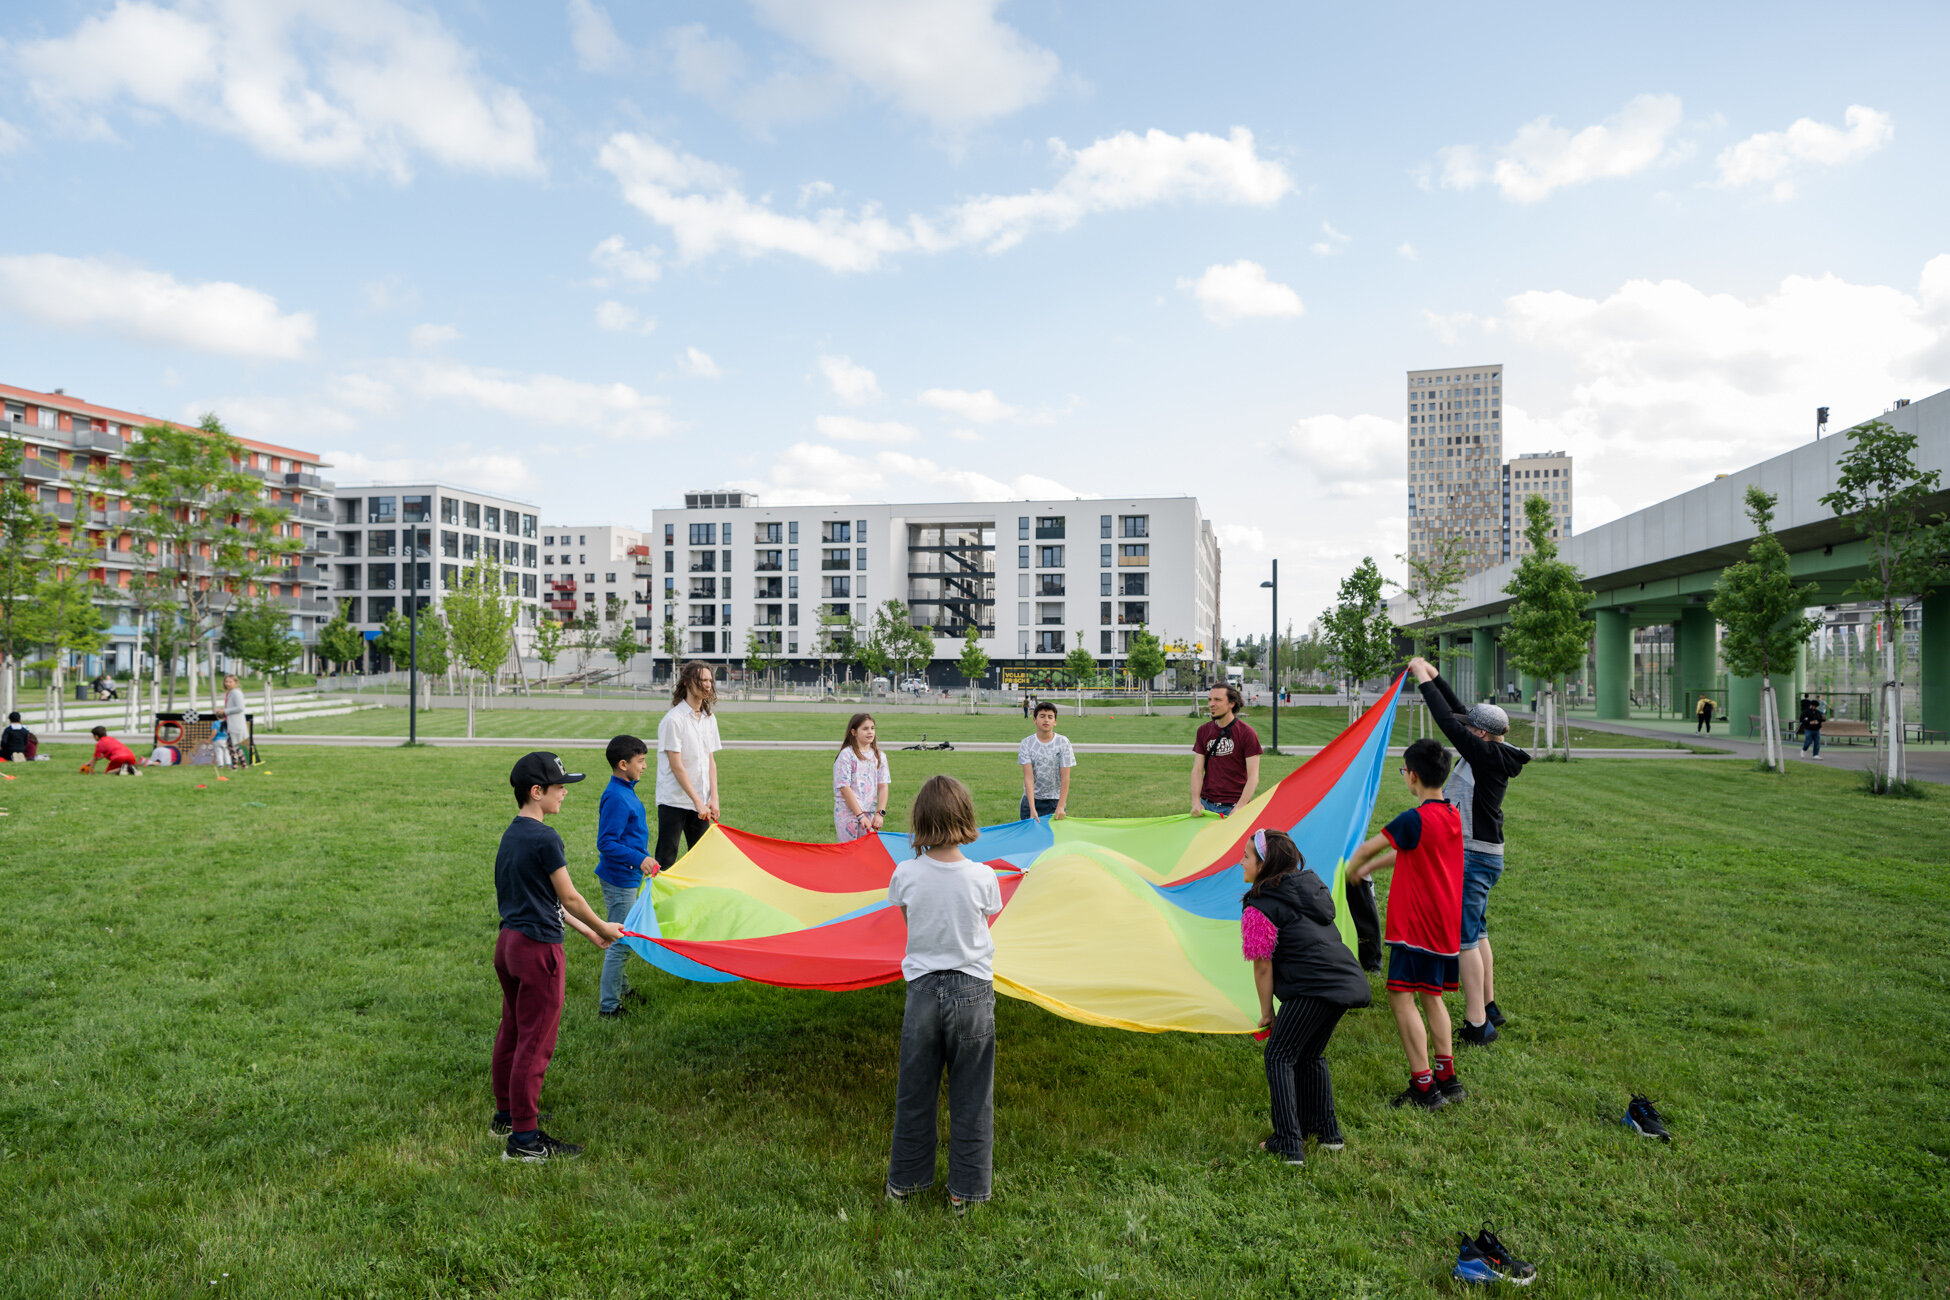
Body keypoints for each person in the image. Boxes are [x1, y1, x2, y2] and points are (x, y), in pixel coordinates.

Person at [492, 751, 621, 1161]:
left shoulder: (512, 834)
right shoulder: (546, 838)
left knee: (512, 1031)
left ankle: (507, 1117)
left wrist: (586, 933)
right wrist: (604, 926)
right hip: (538, 952)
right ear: (536, 792)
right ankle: (524, 1142)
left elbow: (545, 899)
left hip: (509, 945)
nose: (565, 793)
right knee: (535, 1041)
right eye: (559, 786)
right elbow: (568, 895)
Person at [885, 775, 1004, 1213]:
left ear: (920, 820)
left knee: (915, 1090)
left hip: (921, 992)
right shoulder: (982, 877)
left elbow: (908, 919)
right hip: (973, 992)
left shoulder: (905, 874)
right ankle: (966, 1194)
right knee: (973, 1094)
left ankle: (905, 1183)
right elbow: (983, 924)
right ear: (965, 817)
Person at [1407, 656, 1528, 1045]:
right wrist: (1434, 675)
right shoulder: (1491, 748)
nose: (1463, 729)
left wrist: (1423, 683)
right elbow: (1458, 712)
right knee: (1478, 932)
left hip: (1474, 857)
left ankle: (1477, 1025)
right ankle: (1489, 1006)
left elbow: (1447, 721)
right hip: (1483, 854)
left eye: (1469, 729)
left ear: (1480, 736)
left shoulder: (1487, 756)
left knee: (1465, 939)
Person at [1345, 738, 1465, 1111]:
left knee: (1401, 996)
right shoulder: (1451, 816)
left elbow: (1368, 847)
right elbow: (1411, 852)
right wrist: (1371, 870)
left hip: (1416, 928)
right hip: (1444, 928)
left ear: (1412, 776)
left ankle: (1424, 1087)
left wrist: (1351, 870)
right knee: (1432, 997)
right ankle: (1448, 1078)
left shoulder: (1413, 819)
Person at [1240, 828, 1371, 1164]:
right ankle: (1327, 1134)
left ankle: (1287, 1142)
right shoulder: (1305, 890)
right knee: (1310, 1054)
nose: (1241, 862)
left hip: (1312, 987)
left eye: (1246, 856)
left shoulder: (1259, 904)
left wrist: (1267, 1011)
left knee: (1278, 1056)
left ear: (1263, 864)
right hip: (1342, 983)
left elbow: (1262, 966)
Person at [594, 734, 659, 1018]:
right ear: (623, 764)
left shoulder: (625, 790)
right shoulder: (617, 797)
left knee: (622, 933)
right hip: (620, 879)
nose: (644, 766)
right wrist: (640, 858)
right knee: (621, 941)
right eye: (640, 761)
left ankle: (622, 988)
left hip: (627, 876)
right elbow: (606, 842)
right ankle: (609, 1006)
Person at [655, 662, 722, 870]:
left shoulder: (709, 719)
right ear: (686, 682)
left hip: (701, 802)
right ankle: (656, 901)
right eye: (702, 680)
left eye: (710, 680)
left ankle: (698, 900)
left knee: (702, 860)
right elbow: (677, 766)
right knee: (666, 859)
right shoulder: (673, 720)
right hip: (674, 801)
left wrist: (713, 798)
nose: (708, 685)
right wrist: (697, 802)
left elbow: (709, 760)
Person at [1189, 683, 1262, 817]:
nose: (1211, 704)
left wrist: (1240, 807)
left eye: (1217, 700)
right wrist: (1196, 801)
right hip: (1206, 806)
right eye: (1210, 699)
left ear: (1231, 704)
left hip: (1233, 807)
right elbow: (1197, 770)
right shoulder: (1203, 731)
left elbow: (1253, 777)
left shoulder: (1247, 733)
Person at [834, 713, 891, 841]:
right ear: (853, 732)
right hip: (847, 813)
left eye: (872, 728)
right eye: (865, 729)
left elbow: (883, 786)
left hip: (869, 813)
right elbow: (844, 787)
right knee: (848, 854)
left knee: (866, 854)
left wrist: (880, 813)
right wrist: (859, 815)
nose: (870, 732)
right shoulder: (846, 755)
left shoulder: (879, 756)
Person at [1017, 700, 1075, 822]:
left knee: (1054, 840)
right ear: (1034, 720)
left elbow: (1065, 777)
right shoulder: (1026, 743)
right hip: (1031, 801)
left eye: (1050, 717)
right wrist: (1032, 808)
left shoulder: (1063, 742)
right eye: (1042, 716)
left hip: (1055, 801)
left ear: (1055, 722)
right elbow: (1028, 778)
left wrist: (1060, 806)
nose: (1046, 720)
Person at [222, 675, 249, 767]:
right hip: (230, 722)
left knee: (232, 745)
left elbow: (240, 708)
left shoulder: (235, 693)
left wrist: (225, 711)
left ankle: (235, 765)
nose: (228, 684)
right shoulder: (230, 693)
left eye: (230, 682)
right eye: (226, 682)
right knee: (233, 745)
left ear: (236, 683)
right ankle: (243, 764)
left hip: (235, 723)